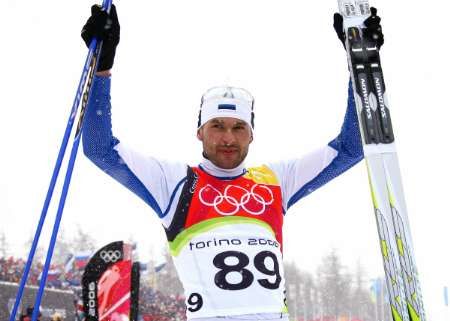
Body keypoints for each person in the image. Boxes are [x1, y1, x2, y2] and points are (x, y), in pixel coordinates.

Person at [81, 4, 384, 321]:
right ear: (200, 133)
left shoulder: (275, 180)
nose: (228, 138)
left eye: (239, 128)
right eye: (217, 126)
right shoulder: (174, 182)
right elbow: (99, 149)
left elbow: (351, 148)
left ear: (251, 135)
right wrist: (102, 68)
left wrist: (359, 66)